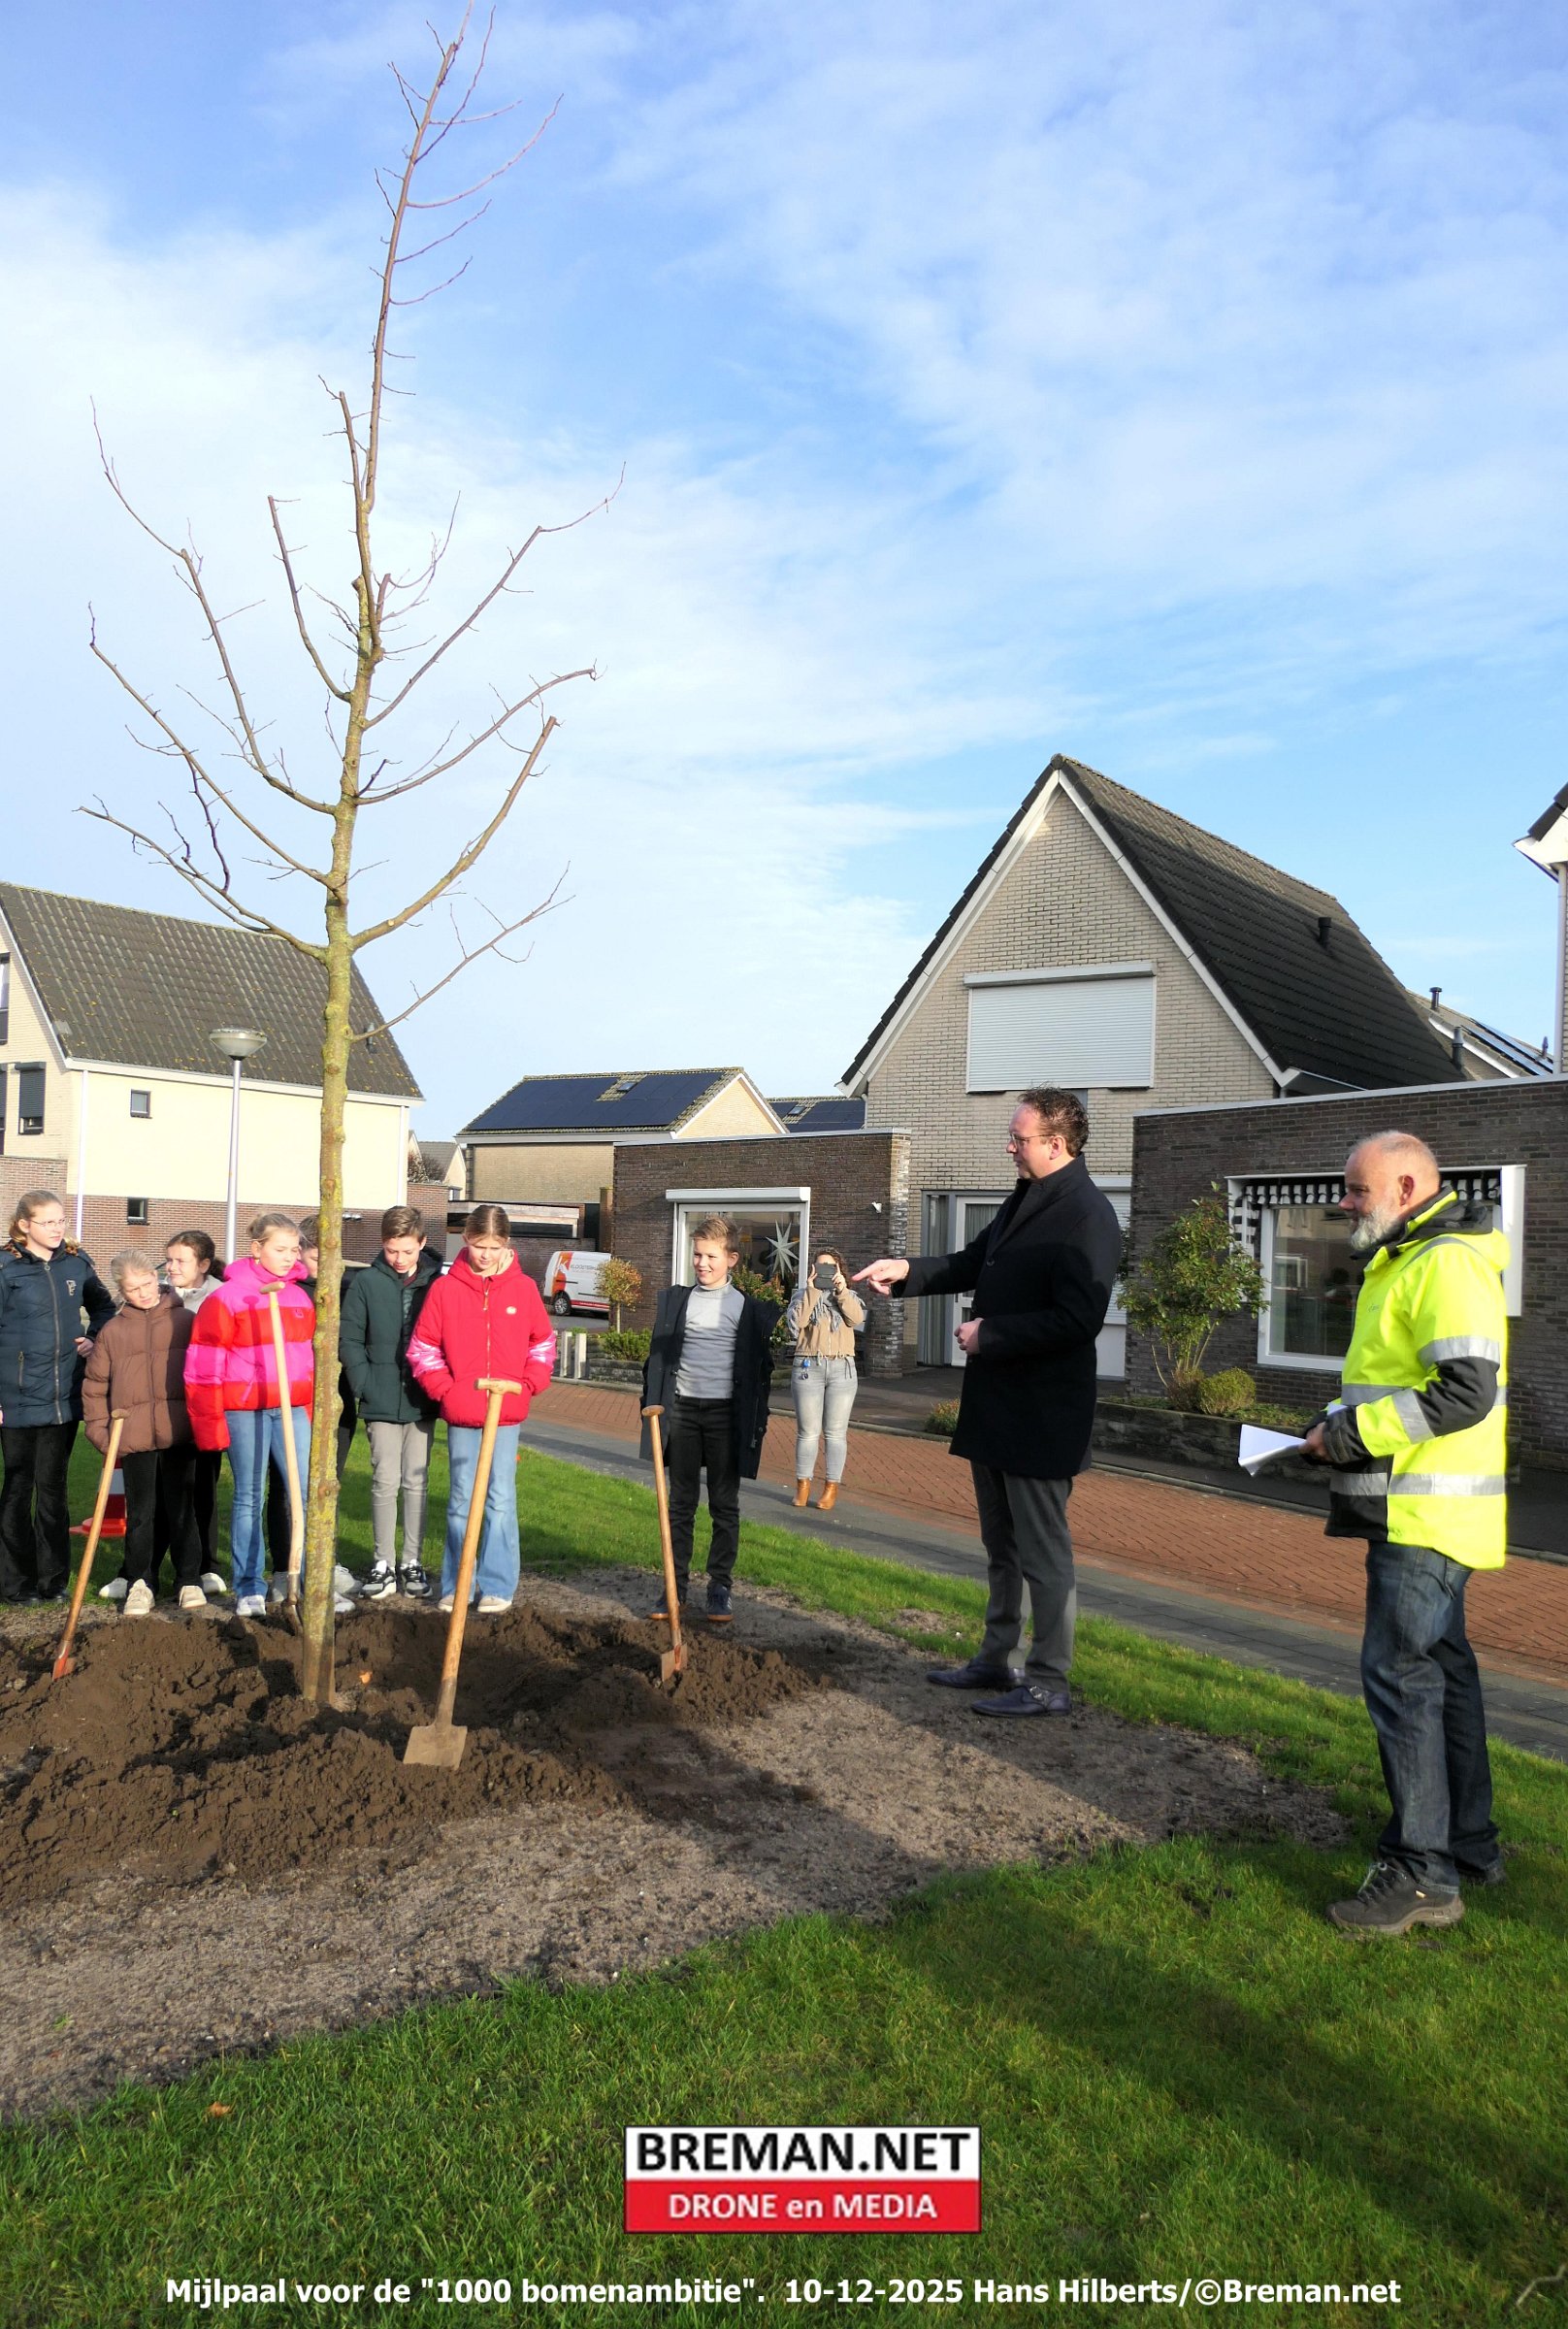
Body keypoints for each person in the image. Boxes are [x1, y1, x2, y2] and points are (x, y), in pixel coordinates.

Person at [856, 1086, 1121, 1717]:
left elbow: (1078, 1320)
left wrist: (990, 1335)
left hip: (1042, 1419)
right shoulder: (1024, 1198)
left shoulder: (1089, 1215)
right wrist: (907, 1271)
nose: (1009, 1147)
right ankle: (997, 1659)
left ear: (1057, 1144)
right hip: (997, 1410)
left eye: (1018, 1139)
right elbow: (973, 1263)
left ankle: (1048, 1681)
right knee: (1002, 1547)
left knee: (1044, 1554)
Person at [1302, 1132, 1509, 1937]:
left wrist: (1350, 1435)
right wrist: (1329, 1428)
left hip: (1423, 1514)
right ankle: (1467, 1847)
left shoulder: (1442, 1262)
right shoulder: (1410, 1258)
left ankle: (1422, 1874)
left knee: (1401, 1677)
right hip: (1424, 1510)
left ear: (1408, 1188)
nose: (1344, 1203)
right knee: (1442, 1676)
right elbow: (1392, 1384)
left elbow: (1465, 1391)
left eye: (1357, 1190)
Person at [184, 1210, 346, 1622]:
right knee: (249, 1496)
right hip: (246, 1410)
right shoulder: (227, 1298)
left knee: (306, 1494)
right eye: (280, 1249)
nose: (290, 1257)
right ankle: (249, 1587)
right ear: (256, 1249)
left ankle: (310, 1582)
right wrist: (209, 1423)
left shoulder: (298, 1298)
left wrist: (310, 1408)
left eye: (294, 1250)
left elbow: (308, 1362)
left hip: (291, 1408)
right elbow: (203, 1365)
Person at [407, 1204, 555, 1614]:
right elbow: (423, 1348)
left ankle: (497, 1584)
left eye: (494, 1246)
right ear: (466, 1240)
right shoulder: (445, 1289)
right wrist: (447, 1391)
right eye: (478, 1245)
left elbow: (542, 1344)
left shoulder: (523, 1289)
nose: (485, 1255)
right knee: (460, 1499)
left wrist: (528, 1385)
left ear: (507, 1245)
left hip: (505, 1414)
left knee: (500, 1498)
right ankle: (458, 1583)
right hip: (463, 1412)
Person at [639, 1215, 779, 1624]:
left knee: (724, 1505)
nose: (701, 1263)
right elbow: (658, 1361)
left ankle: (720, 1588)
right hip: (682, 1411)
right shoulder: (677, 1301)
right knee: (680, 1504)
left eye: (711, 1256)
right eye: (697, 1254)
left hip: (724, 1416)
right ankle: (675, 1587)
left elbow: (760, 1369)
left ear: (732, 1259)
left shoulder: (746, 1309)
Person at [0, 1190, 114, 1606]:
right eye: (48, 1222)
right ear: (24, 1225)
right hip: (15, 1399)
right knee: (18, 1488)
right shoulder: (5, 1268)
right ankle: (15, 1584)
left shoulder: (76, 1263)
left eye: (61, 1220)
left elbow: (104, 1308)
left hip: (62, 1398)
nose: (57, 1228)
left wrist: (94, 1337)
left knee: (53, 1489)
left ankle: (53, 1581)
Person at [82, 1250, 204, 1614]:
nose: (144, 1293)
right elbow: (95, 1387)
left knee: (182, 1509)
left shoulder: (186, 1321)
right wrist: (102, 1435)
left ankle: (188, 1579)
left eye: (148, 1283)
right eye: (134, 1289)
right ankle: (140, 1582)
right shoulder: (112, 1332)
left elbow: (205, 1373)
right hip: (134, 1439)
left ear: (156, 1277)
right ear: (122, 1292)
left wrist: (205, 1422)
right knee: (140, 1515)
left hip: (179, 1432)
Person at [341, 1204, 442, 1601]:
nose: (399, 1258)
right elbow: (350, 1338)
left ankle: (411, 1561)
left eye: (407, 1251)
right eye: (391, 1250)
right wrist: (364, 1384)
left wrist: (437, 1384)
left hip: (421, 1397)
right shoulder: (365, 1282)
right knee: (385, 1480)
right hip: (379, 1397)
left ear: (422, 1243)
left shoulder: (437, 1284)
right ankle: (382, 1562)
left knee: (416, 1481)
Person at [783, 1248, 866, 1510]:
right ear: (812, 1270)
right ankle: (803, 1485)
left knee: (836, 1433)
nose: (825, 1272)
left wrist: (841, 1290)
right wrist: (812, 1292)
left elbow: (857, 1319)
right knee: (808, 1432)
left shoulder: (849, 1296)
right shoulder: (801, 1296)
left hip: (842, 1369)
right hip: (809, 1367)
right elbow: (796, 1325)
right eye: (820, 1267)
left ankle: (831, 1488)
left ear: (839, 1270)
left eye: (830, 1267)